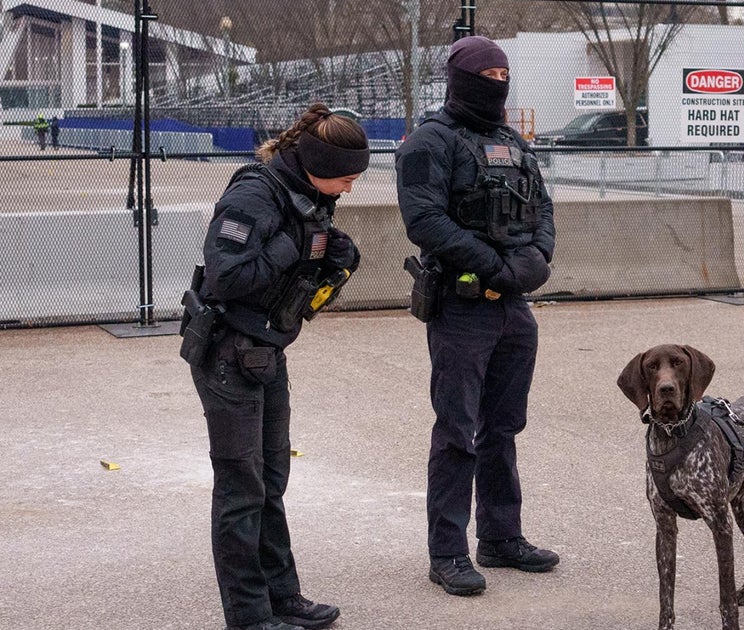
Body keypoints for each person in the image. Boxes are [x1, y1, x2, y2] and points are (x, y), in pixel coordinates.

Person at [187, 102, 367, 630]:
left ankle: (282, 598)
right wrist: (294, 245)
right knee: (241, 487)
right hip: (228, 351)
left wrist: (335, 260)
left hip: (266, 348)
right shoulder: (254, 195)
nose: (350, 188)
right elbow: (225, 277)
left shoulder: (309, 197)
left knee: (270, 479)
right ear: (318, 163)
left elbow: (300, 284)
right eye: (346, 177)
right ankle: (248, 615)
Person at [394, 35, 558, 597]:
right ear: (461, 80)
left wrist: (537, 260)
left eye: (504, 77)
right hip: (461, 306)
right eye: (488, 77)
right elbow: (424, 220)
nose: (498, 85)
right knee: (456, 432)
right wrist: (495, 266)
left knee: (503, 428)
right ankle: (447, 552)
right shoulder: (429, 142)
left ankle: (501, 537)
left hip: (513, 306)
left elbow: (543, 208)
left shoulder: (513, 142)